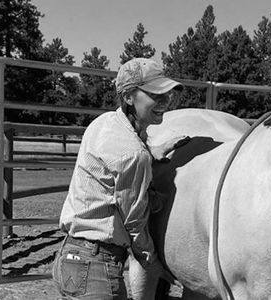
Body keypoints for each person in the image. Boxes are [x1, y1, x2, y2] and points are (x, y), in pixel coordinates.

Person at [51, 57, 189, 299]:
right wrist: (153, 263)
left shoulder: (103, 123)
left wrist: (151, 152)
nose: (164, 102)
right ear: (128, 97)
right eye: (156, 95)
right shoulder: (133, 155)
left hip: (70, 256)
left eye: (167, 95)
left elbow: (112, 164)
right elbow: (134, 222)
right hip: (96, 267)